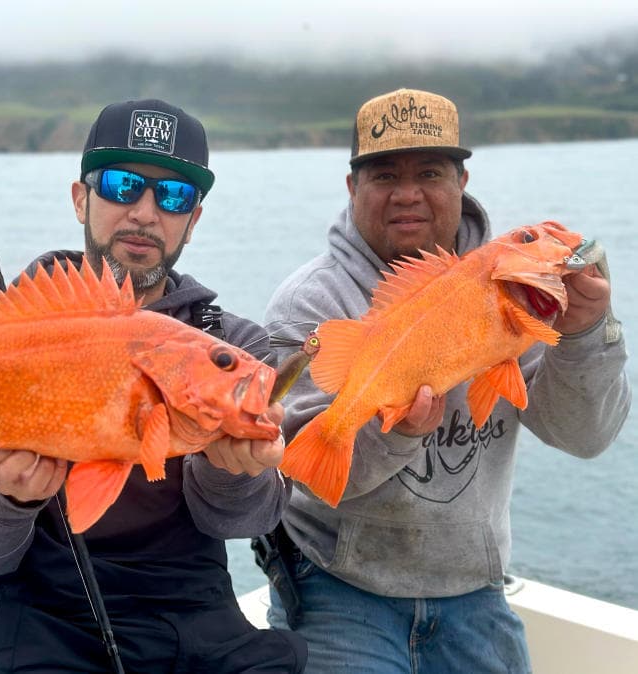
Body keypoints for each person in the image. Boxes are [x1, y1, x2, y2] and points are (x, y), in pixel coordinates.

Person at [0, 98, 307, 673]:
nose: (145, 212)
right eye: (123, 185)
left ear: (193, 220)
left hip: (196, 622)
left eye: (174, 196)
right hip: (36, 623)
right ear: (81, 198)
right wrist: (7, 498)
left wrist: (231, 471)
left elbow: (250, 522)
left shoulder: (235, 349)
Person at [261, 88, 630, 673]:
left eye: (430, 173)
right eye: (385, 175)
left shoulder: (518, 292)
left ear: (462, 182)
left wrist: (586, 332)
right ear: (353, 187)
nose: (408, 193)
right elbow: (309, 477)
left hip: (473, 588)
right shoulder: (310, 301)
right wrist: (398, 433)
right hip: (334, 584)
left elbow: (583, 437)